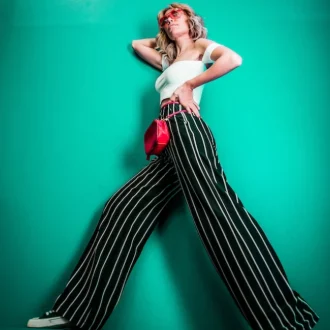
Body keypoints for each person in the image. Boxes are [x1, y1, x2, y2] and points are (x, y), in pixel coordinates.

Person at [27, 3, 320, 330]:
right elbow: (139, 46)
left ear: (192, 20)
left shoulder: (200, 48)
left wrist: (190, 85)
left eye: (175, 14)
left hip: (187, 127)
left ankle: (285, 321)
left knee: (219, 213)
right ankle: (77, 313)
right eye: (165, 18)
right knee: (121, 207)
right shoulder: (168, 60)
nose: (169, 18)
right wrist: (166, 40)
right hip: (166, 140)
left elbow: (233, 59)